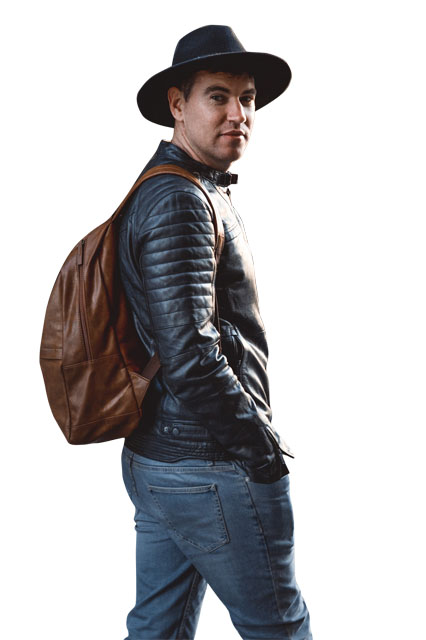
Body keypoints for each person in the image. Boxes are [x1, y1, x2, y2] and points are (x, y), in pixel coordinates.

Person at [118, 24, 312, 640]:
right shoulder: (180, 200)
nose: (238, 114)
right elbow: (190, 354)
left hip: (161, 459)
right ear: (178, 105)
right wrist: (262, 452)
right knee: (280, 629)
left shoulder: (182, 187)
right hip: (207, 466)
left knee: (158, 630)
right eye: (218, 97)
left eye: (247, 98)